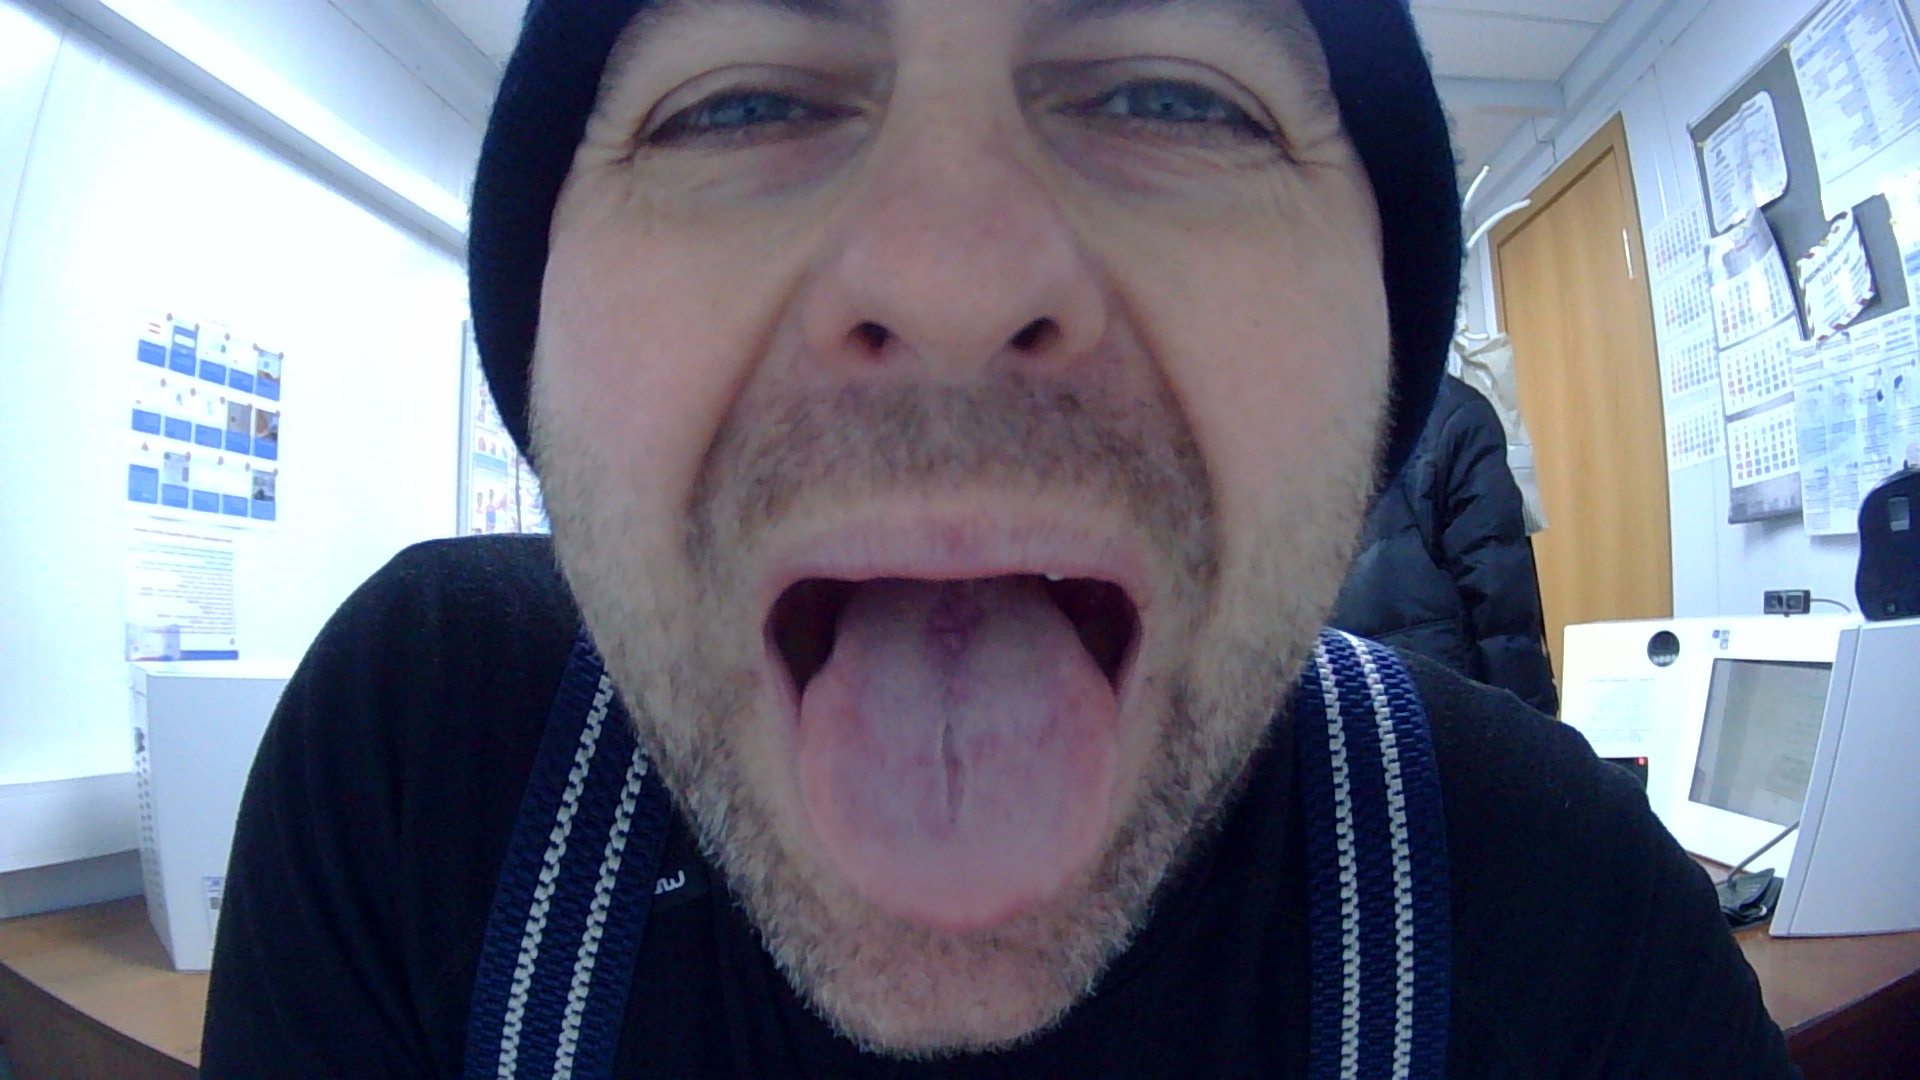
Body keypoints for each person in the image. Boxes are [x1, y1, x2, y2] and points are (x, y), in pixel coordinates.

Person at [200, 1, 1799, 1076]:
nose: (952, 278)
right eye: (736, 102)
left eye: (1175, 97)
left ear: (1384, 351)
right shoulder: (419, 771)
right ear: (537, 340)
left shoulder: (1566, 921)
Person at [1330, 374, 1560, 716]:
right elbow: (1499, 594)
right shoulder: (1455, 411)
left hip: (1328, 697)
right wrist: (1534, 718)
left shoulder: (1289, 417)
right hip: (1435, 693)